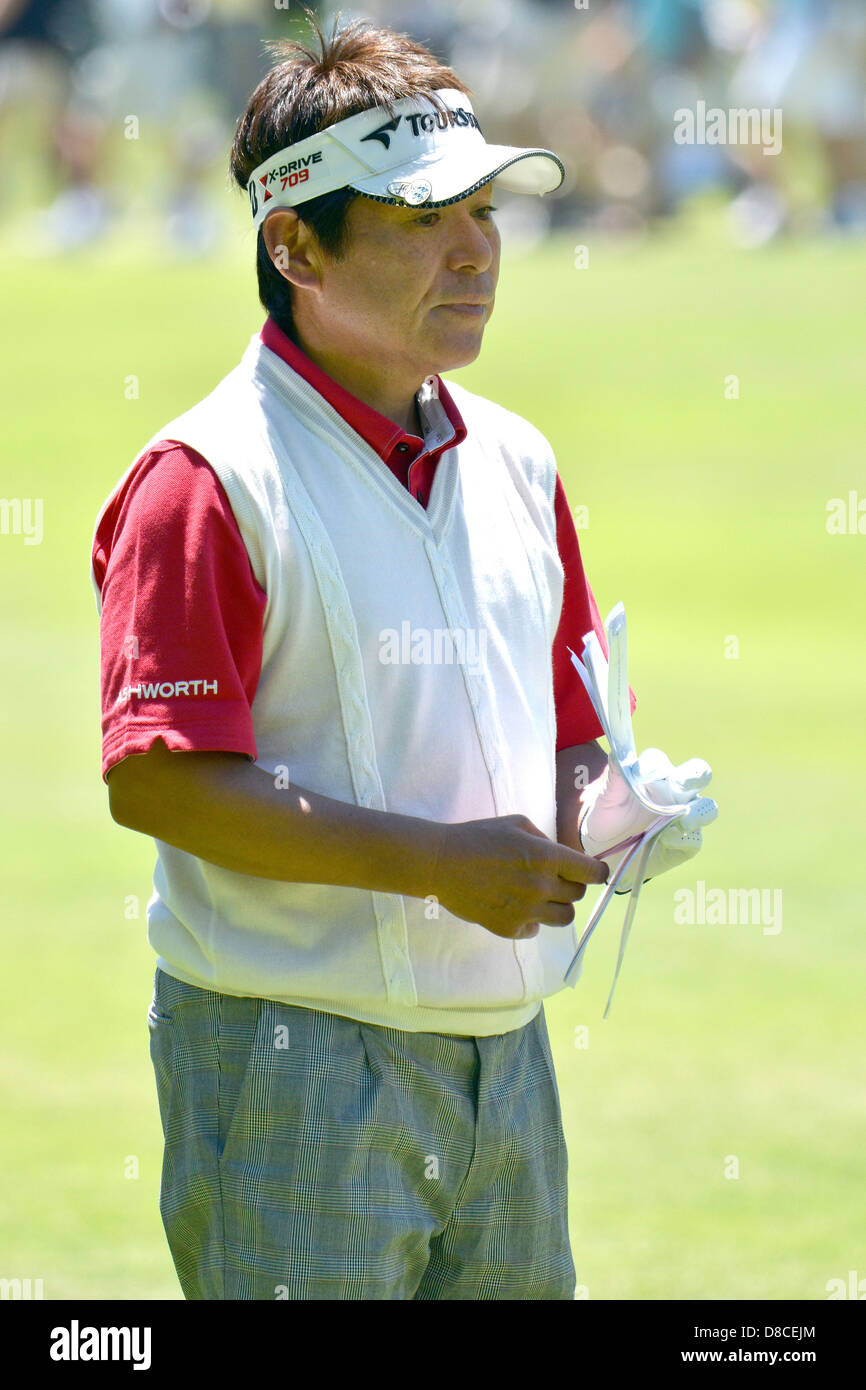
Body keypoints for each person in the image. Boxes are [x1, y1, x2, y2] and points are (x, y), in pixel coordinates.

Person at [90, 13, 713, 1301]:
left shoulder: (520, 459)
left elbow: (566, 731)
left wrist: (611, 814)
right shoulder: (206, 480)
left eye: (484, 211)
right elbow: (157, 779)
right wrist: (438, 865)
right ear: (294, 245)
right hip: (285, 1058)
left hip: (507, 1057)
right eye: (425, 221)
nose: (479, 252)